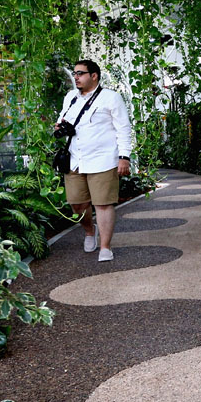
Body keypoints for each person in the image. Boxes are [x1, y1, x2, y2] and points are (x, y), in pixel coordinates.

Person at [55, 59, 134, 262]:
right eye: (74, 74)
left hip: (103, 159)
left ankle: (105, 248)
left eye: (80, 73)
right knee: (77, 204)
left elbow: (123, 129)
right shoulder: (70, 97)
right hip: (75, 159)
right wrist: (59, 127)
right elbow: (62, 120)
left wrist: (124, 157)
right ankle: (90, 230)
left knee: (103, 204)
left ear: (94, 76)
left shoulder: (111, 98)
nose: (76, 77)